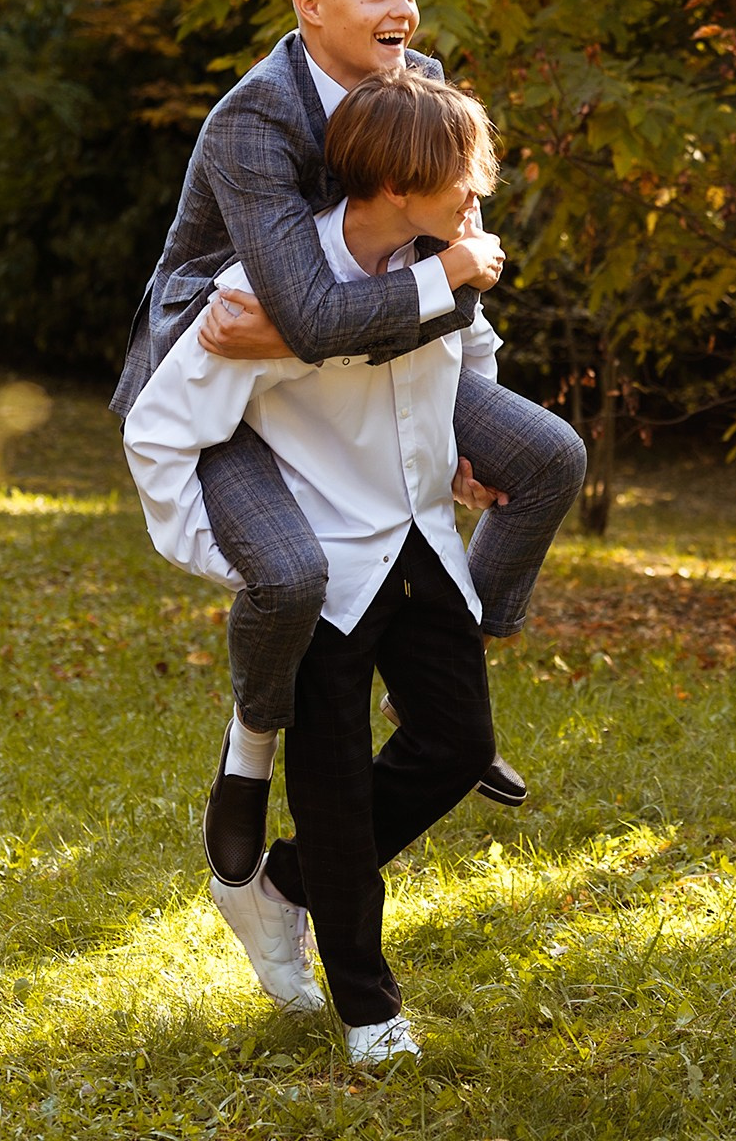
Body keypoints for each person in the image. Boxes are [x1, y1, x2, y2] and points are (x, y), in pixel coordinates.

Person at [111, 0, 585, 892]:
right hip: (228, 376)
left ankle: (455, 679)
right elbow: (322, 312)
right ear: (309, 4)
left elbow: (451, 281)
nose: (404, 8)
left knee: (545, 458)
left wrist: (458, 401)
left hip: (374, 355)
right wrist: (451, 271)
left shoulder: (424, 91)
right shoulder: (255, 120)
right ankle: (247, 760)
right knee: (290, 576)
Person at [124, 70, 512, 1066]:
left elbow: (476, 356)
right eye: (461, 176)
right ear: (392, 180)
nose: (478, 193)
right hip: (327, 564)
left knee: (457, 744)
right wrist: (242, 564)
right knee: (335, 788)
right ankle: (368, 1008)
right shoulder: (266, 292)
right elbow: (164, 430)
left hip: (423, 542)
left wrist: (469, 451)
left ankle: (285, 880)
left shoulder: (445, 261)